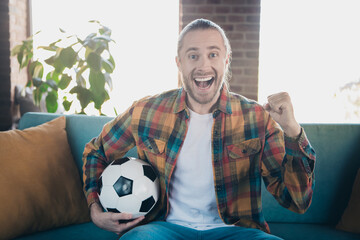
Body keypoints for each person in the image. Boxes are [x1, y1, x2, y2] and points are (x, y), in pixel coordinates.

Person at [82, 19, 316, 240]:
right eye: (193, 55)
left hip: (237, 231)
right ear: (179, 62)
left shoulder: (256, 118)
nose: (203, 65)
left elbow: (297, 201)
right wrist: (95, 209)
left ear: (226, 60)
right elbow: (96, 151)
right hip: (163, 229)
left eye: (213, 54)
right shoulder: (146, 111)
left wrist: (292, 131)